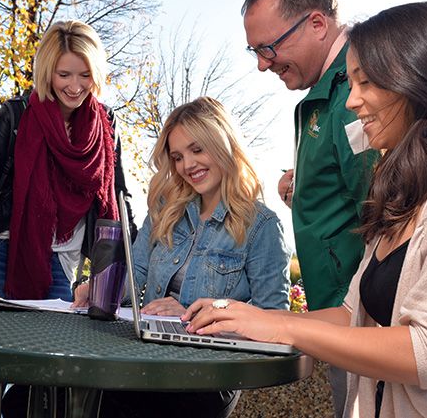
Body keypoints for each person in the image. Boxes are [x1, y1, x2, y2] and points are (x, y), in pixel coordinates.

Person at [186, 2, 427, 417]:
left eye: (366, 82)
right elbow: (350, 314)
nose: (353, 102)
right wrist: (250, 319)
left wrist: (281, 327)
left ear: (418, 80)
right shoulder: (402, 194)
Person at [241, 0, 380, 415]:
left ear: (317, 23)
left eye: (268, 47)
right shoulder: (324, 96)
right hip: (342, 319)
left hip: (363, 322)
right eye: (255, 52)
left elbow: (382, 214)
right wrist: (300, 186)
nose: (263, 64)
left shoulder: (352, 95)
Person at [98, 96, 291, 418]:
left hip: (211, 374)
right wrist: (100, 289)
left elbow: (273, 318)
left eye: (197, 149)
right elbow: (136, 272)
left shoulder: (261, 225)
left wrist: (190, 315)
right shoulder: (165, 210)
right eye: (177, 156)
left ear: (223, 143)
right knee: (39, 395)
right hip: (147, 357)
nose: (187, 165)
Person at [0, 19, 133, 301]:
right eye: (64, 75)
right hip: (2, 256)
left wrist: (124, 267)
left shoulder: (106, 123)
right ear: (48, 72)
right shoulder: (15, 116)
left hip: (64, 262)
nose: (75, 86)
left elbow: (119, 195)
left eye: (85, 75)